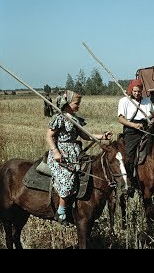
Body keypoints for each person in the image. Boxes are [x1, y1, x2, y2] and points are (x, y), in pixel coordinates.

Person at [46, 90, 112, 224]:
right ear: (68, 103)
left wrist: (102, 136)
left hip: (76, 153)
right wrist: (56, 152)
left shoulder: (75, 119)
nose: (78, 106)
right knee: (68, 178)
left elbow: (85, 135)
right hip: (62, 154)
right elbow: (48, 136)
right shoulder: (60, 118)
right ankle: (61, 210)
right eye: (76, 103)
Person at [117, 79, 154, 175]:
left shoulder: (147, 101)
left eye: (139, 91)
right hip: (131, 131)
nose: (137, 93)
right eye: (135, 91)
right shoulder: (124, 101)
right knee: (129, 155)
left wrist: (152, 121)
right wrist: (134, 125)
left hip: (146, 128)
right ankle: (129, 177)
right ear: (131, 90)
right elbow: (121, 119)